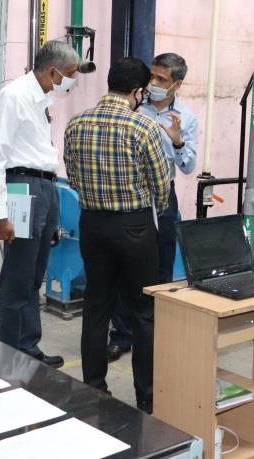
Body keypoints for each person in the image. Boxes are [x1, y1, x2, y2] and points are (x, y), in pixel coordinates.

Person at [63, 57, 172, 414]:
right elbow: (161, 185)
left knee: (96, 307)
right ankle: (147, 398)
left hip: (93, 225)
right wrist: (151, 210)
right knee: (143, 313)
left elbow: (73, 177)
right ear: (138, 92)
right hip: (135, 228)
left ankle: (94, 389)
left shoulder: (76, 123)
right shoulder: (143, 126)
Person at [0, 39, 80, 367]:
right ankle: (11, 353)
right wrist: (0, 214)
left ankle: (29, 347)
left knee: (35, 272)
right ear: (53, 71)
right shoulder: (13, 96)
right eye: (70, 73)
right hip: (23, 187)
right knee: (18, 276)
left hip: (45, 186)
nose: (72, 80)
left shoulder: (42, 98)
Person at [108, 53, 198, 362]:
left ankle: (154, 335)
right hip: (131, 194)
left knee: (161, 264)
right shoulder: (134, 107)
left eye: (162, 79)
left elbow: (188, 166)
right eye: (152, 77)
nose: (154, 84)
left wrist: (177, 141)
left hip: (163, 195)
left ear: (177, 84)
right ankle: (122, 335)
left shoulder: (186, 117)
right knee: (125, 265)